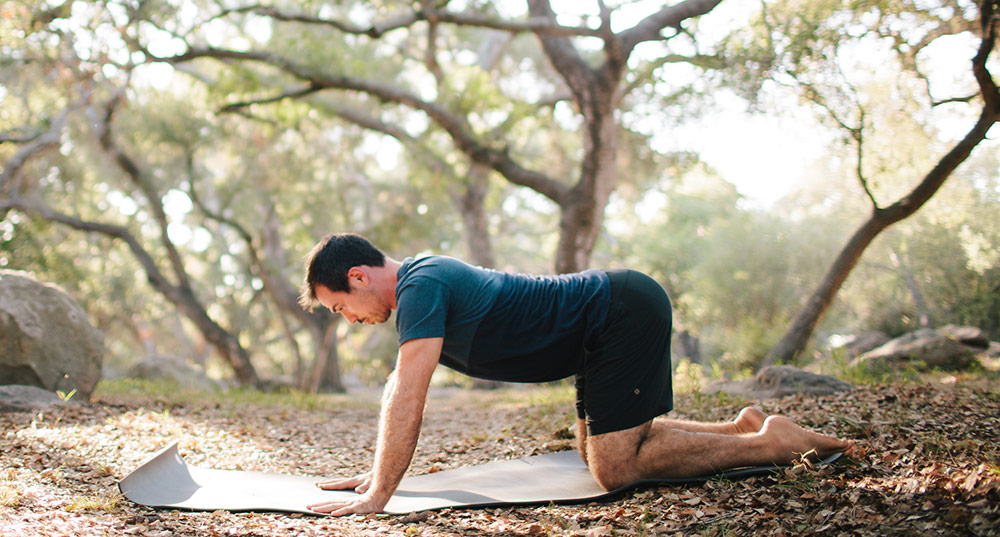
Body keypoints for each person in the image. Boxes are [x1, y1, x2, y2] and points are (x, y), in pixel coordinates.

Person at [298, 233, 854, 516]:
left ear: (359, 277)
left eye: (339, 306)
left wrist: (382, 494)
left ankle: (770, 444)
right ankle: (740, 429)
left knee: (616, 468)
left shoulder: (421, 285)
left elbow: (408, 396)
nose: (347, 318)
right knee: (596, 452)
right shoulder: (422, 287)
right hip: (597, 332)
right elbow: (398, 387)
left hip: (619, 311)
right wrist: (376, 474)